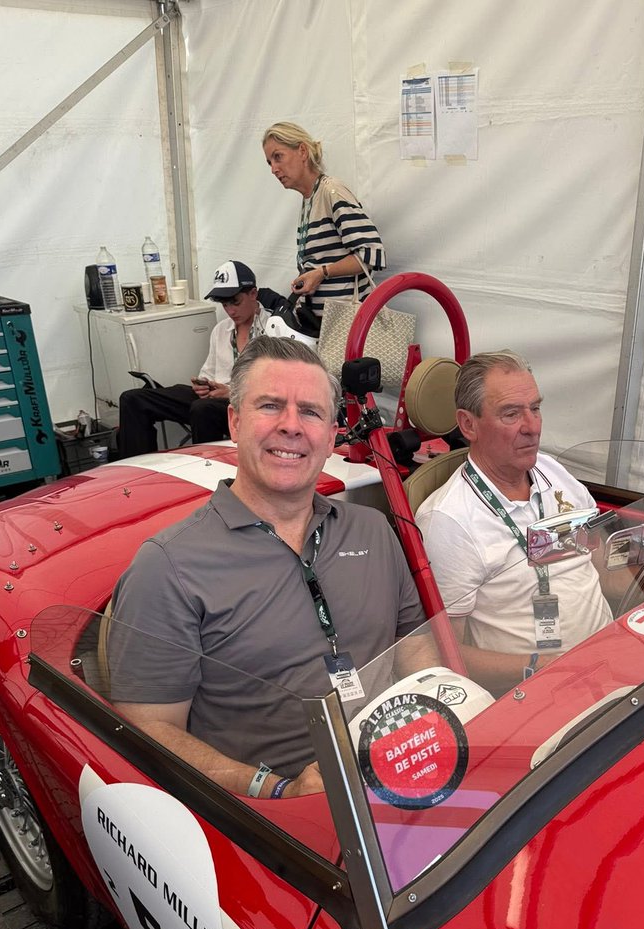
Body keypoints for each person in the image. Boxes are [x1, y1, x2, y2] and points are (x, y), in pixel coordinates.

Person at [109, 336, 426, 799]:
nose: (291, 427)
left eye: (311, 412)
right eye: (271, 406)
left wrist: (437, 710)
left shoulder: (372, 529)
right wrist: (275, 790)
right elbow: (149, 728)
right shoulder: (168, 566)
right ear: (235, 422)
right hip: (274, 822)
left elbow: (414, 644)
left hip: (403, 772)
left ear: (333, 433)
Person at [416, 350, 612, 695]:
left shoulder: (553, 472)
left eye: (535, 408)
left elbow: (603, 568)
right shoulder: (449, 521)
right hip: (538, 691)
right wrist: (540, 666)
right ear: (468, 425)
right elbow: (445, 655)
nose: (532, 426)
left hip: (608, 663)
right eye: (511, 414)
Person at [116, 260, 269, 457]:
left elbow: (278, 390)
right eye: (225, 304)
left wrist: (231, 393)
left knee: (202, 409)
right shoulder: (221, 330)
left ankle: (207, 472)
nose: (230, 311)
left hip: (247, 405)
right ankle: (136, 474)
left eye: (235, 302)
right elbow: (207, 373)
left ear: (253, 294)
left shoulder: (274, 328)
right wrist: (203, 385)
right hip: (214, 400)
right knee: (132, 399)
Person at [262, 121, 385, 325]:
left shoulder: (331, 192)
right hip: (326, 325)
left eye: (278, 157)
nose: (274, 169)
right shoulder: (311, 199)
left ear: (302, 151)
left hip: (347, 326)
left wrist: (322, 273)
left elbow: (371, 253)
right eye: (269, 162)